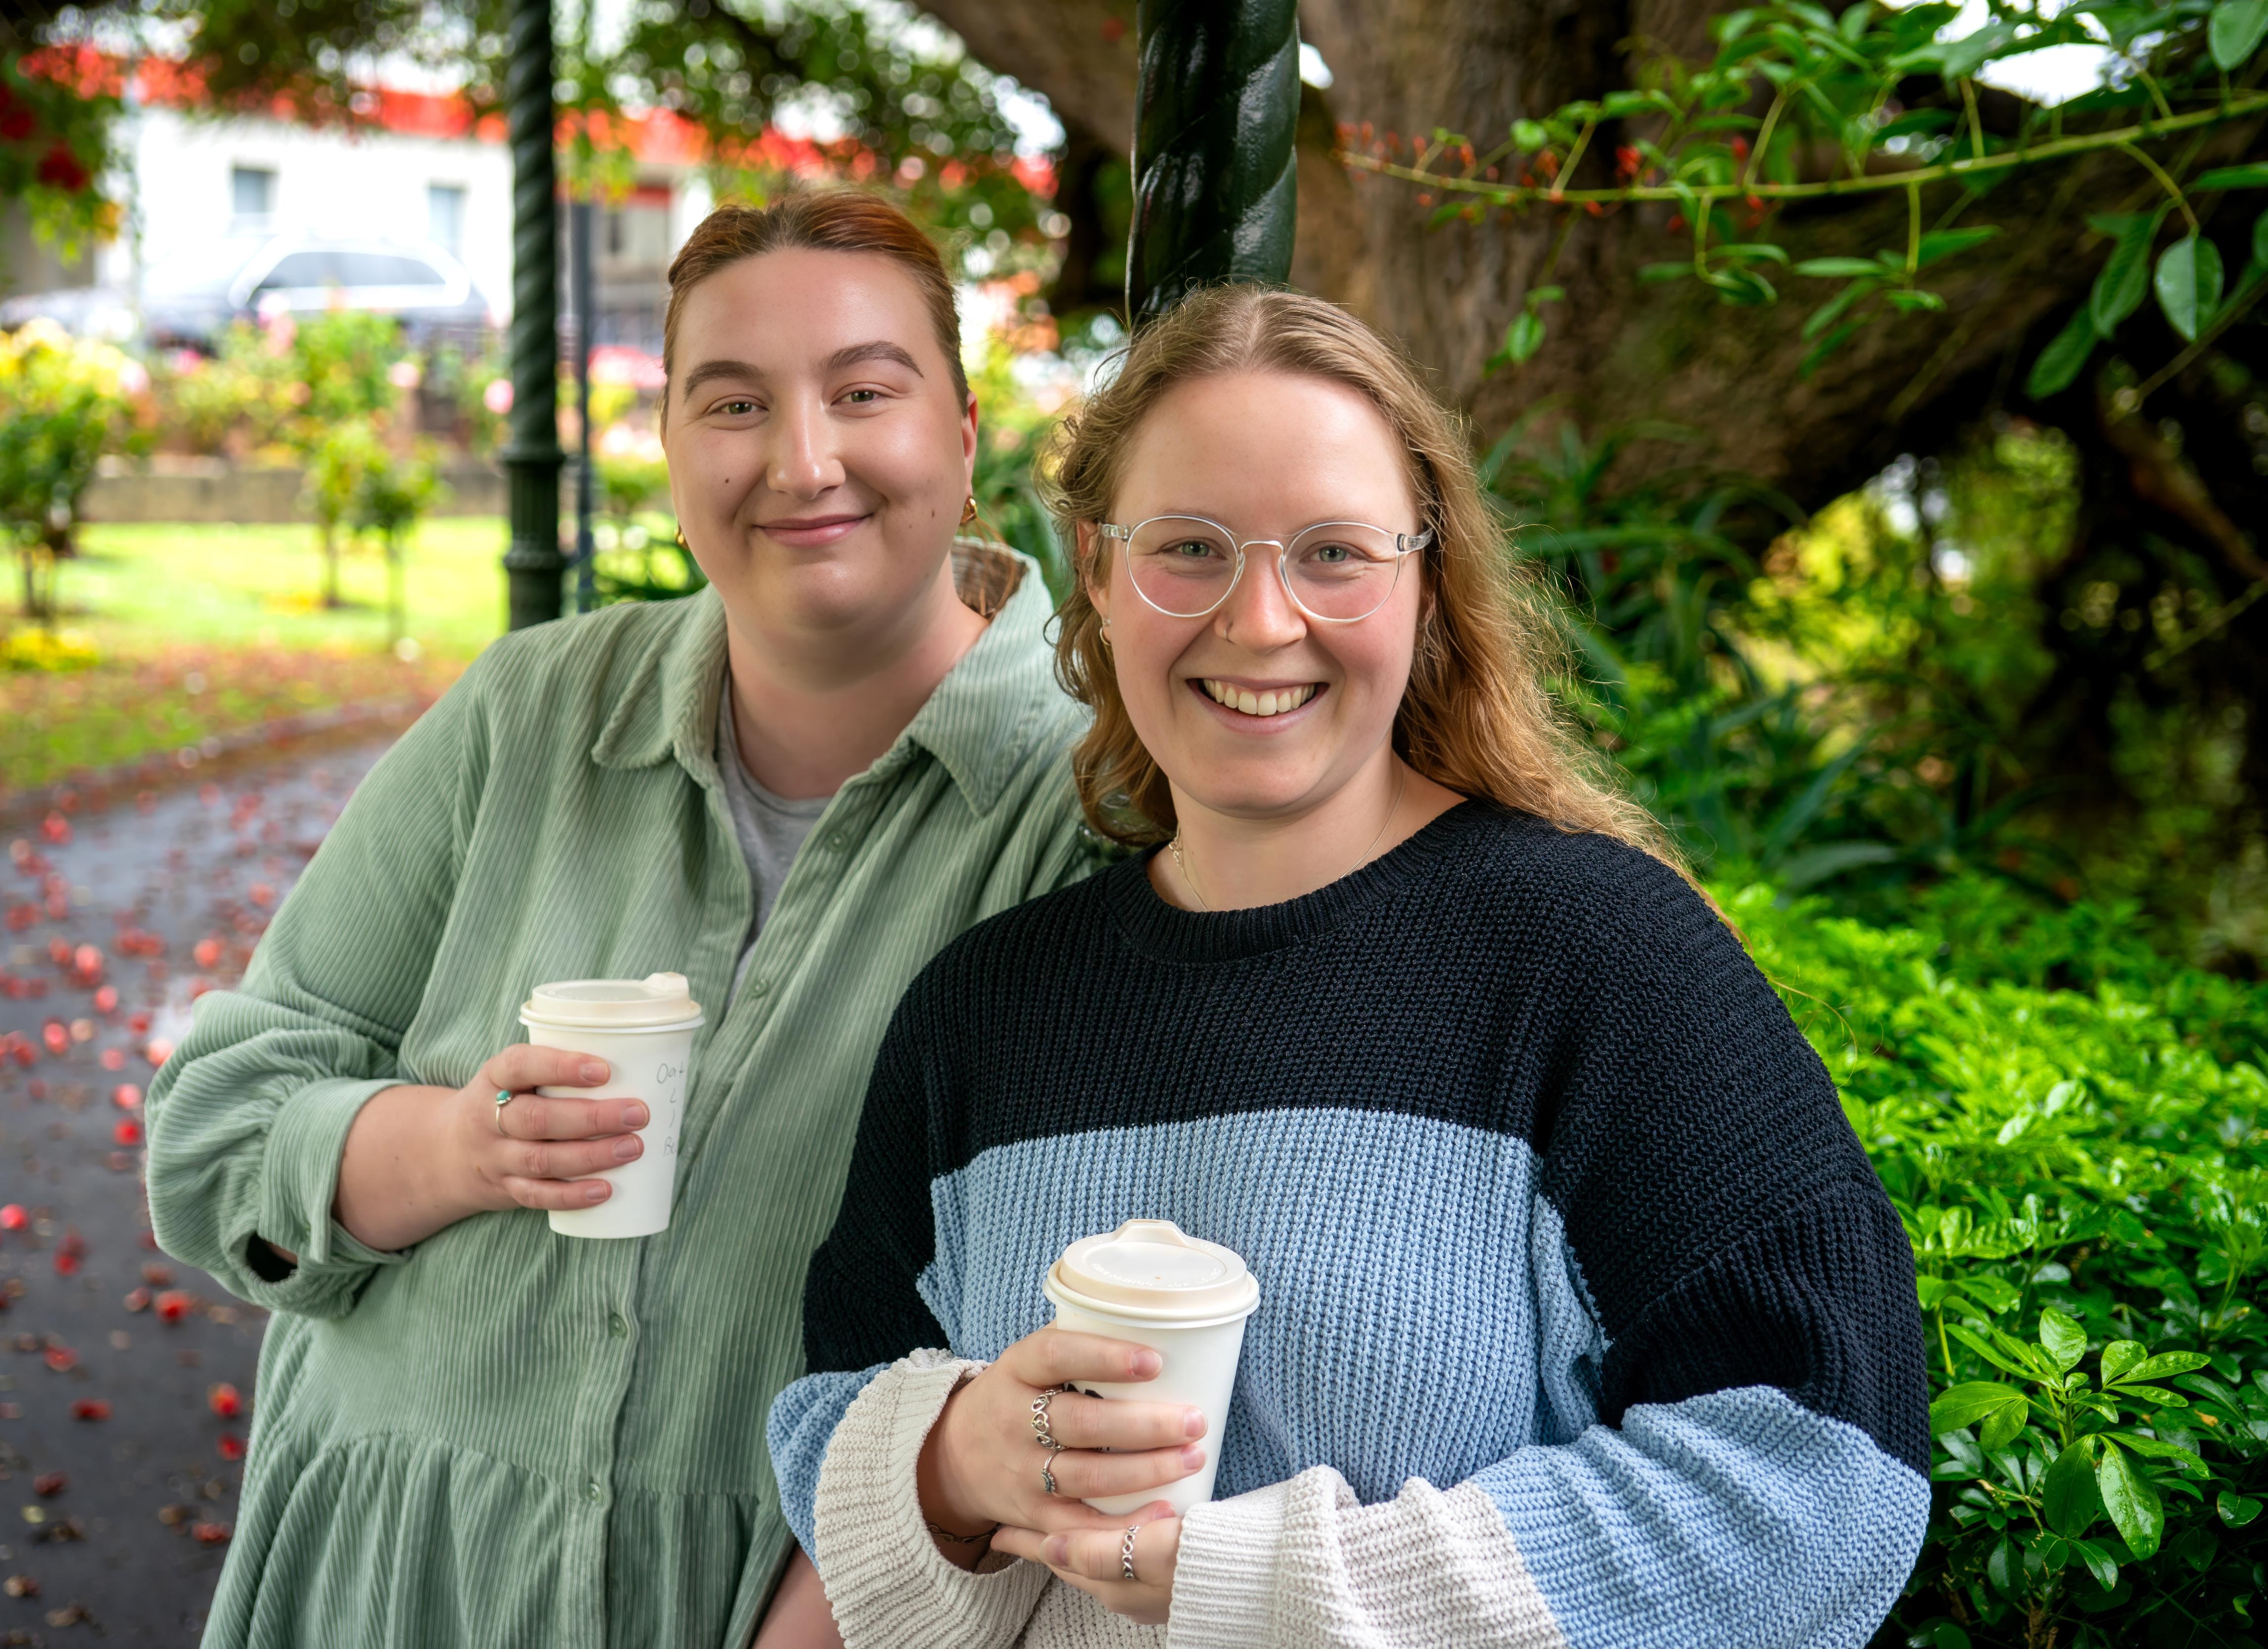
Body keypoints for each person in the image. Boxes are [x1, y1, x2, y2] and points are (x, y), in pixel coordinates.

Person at [767, 285, 1931, 1647]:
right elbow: (832, 1411)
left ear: (1424, 578)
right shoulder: (985, 1010)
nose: (1262, 621)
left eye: (1335, 554)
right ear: (1095, 566)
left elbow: (1823, 1481)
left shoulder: (1600, 965)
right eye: (1188, 548)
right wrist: (949, 1462)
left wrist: (1268, 1589)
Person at [144, 190, 1094, 1649]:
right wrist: (456, 1146)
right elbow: (215, 1127)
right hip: (390, 1572)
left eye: (863, 391)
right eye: (732, 403)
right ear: (667, 445)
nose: (802, 458)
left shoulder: (1082, 800)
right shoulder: (528, 714)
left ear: (964, 441)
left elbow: (1052, 1336)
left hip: (759, 1601)